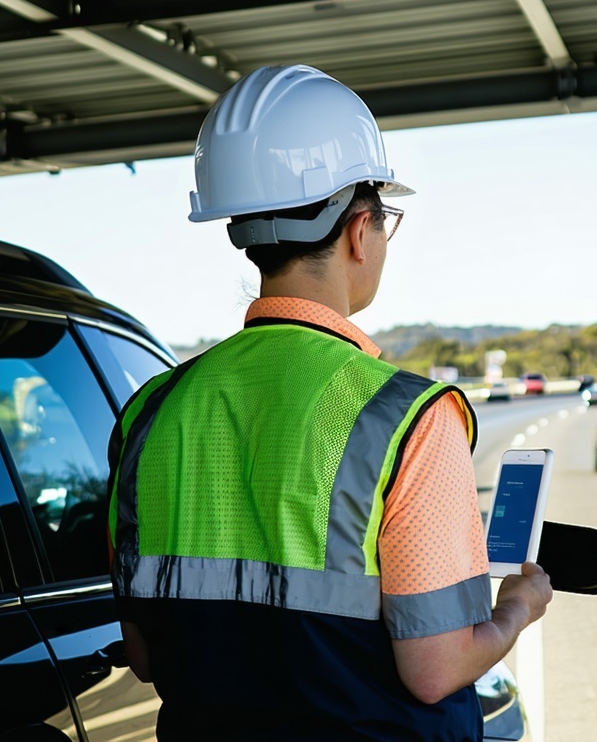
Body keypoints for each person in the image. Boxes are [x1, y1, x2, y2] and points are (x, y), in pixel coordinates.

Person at [107, 64, 552, 741]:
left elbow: (145, 658)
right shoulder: (406, 417)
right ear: (358, 230)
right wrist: (518, 607)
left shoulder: (151, 412)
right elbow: (436, 668)